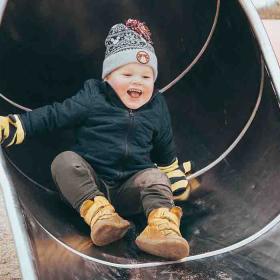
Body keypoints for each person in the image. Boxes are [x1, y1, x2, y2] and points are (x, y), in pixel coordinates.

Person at [0, 19, 194, 260]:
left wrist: (173, 176)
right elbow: (56, 115)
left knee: (155, 177)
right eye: (127, 73)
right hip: (90, 182)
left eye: (146, 77)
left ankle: (161, 228)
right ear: (108, 78)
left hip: (130, 189)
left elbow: (165, 146)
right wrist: (18, 125)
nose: (137, 81)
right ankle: (100, 216)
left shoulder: (156, 106)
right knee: (65, 161)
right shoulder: (94, 96)